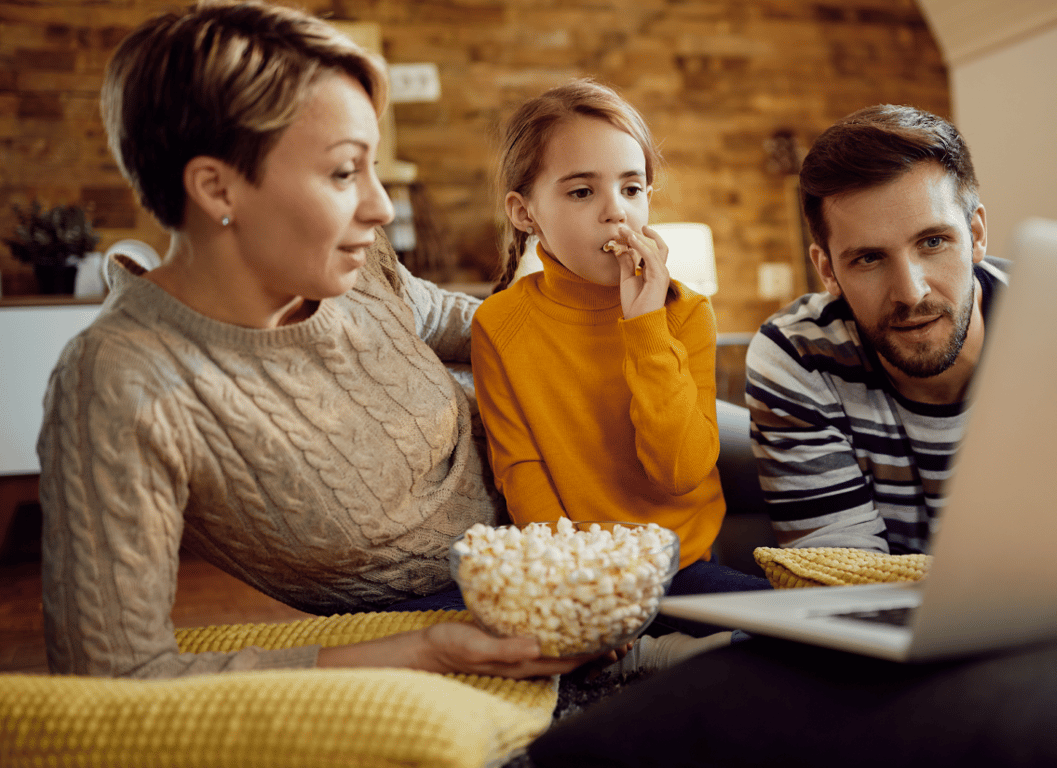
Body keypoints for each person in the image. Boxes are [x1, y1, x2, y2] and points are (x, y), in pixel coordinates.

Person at [39, 0, 590, 680]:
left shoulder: (348, 264)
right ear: (216, 188)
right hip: (484, 600)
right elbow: (115, 677)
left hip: (587, 498)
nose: (380, 207)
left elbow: (466, 324)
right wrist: (422, 653)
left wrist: (604, 335)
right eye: (343, 172)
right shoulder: (120, 382)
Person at [473, 79, 770, 623]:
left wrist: (645, 325)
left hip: (683, 569)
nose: (617, 213)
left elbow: (680, 471)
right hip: (575, 575)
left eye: (632, 189)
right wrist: (584, 585)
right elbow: (521, 471)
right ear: (524, 212)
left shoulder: (686, 313)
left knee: (792, 636)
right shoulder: (498, 325)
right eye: (581, 192)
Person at [744, 105, 1009, 555]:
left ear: (977, 234)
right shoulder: (798, 355)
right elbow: (841, 577)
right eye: (869, 258)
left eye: (933, 242)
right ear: (827, 270)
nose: (910, 292)